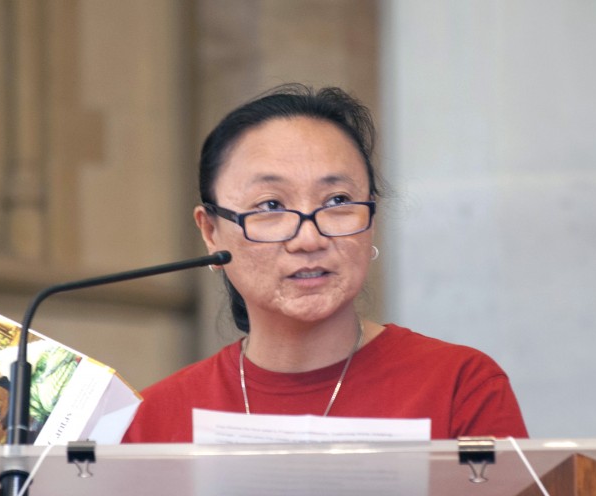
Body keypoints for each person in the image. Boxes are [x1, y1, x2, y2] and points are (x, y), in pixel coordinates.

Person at [123, 84, 526, 443]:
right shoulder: (152, 419)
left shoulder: (460, 387)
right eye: (271, 205)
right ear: (211, 231)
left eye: (337, 202)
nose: (309, 238)